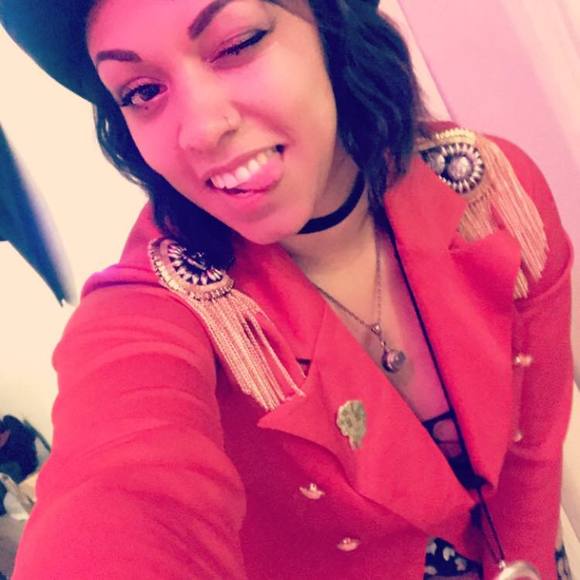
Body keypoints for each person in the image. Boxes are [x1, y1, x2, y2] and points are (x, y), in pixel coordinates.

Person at [1, 1, 574, 578]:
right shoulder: (156, 305)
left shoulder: (489, 190)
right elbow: (117, 491)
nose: (201, 130)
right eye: (142, 91)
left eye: (237, 44)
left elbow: (532, 450)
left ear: (330, 22)